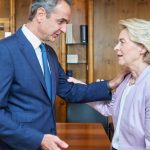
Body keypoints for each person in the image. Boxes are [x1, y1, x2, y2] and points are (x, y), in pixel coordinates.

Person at [0, 0, 126, 150]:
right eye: (61, 21)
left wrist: (110, 84)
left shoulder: (49, 53)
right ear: (41, 14)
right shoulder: (5, 50)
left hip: (49, 142)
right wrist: (38, 139)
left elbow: (69, 90)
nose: (65, 29)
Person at [86, 18, 150, 150]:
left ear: (142, 48)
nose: (116, 48)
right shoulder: (127, 79)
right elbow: (109, 108)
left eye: (122, 42)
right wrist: (80, 88)